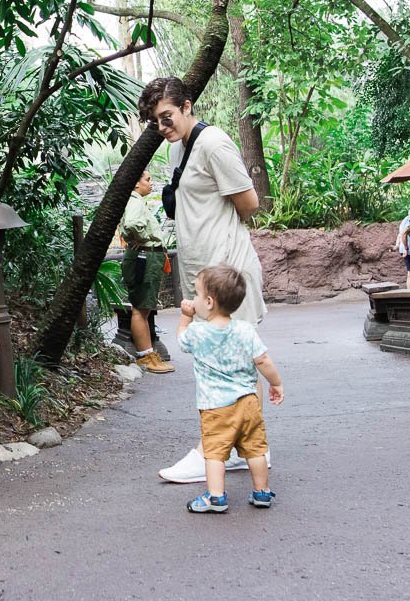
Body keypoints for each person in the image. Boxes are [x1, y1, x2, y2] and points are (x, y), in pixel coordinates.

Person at [138, 76, 269, 484]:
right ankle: (242, 450)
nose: (163, 126)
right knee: (214, 366)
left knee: (237, 365)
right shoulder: (178, 148)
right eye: (156, 121)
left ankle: (216, 450)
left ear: (187, 106)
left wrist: (221, 260)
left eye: (167, 116)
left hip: (227, 273)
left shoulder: (213, 144)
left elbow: (249, 204)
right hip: (200, 275)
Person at [175, 265, 284, 513]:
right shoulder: (245, 329)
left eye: (196, 294)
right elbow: (263, 360)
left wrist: (185, 316)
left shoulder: (198, 333)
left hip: (215, 407)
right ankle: (262, 492)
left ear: (209, 302)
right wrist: (275, 383)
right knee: (255, 449)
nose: (193, 299)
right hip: (248, 403)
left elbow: (181, 338)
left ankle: (216, 497)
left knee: (214, 453)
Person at [120, 170, 174, 374]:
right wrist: (143, 239)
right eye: (148, 180)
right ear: (136, 183)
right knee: (141, 308)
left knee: (144, 306)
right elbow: (132, 224)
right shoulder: (135, 202)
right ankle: (145, 356)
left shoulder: (135, 201)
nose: (151, 184)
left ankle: (148, 353)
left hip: (147, 256)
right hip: (144, 256)